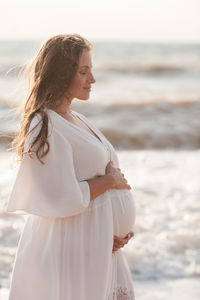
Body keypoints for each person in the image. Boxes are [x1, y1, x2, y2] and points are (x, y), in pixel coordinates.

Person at [6, 34, 136, 300]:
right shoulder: (45, 125)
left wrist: (106, 231)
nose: (92, 79)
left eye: (91, 70)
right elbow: (61, 197)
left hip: (90, 242)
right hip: (67, 248)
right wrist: (110, 181)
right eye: (83, 71)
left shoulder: (75, 118)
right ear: (62, 74)